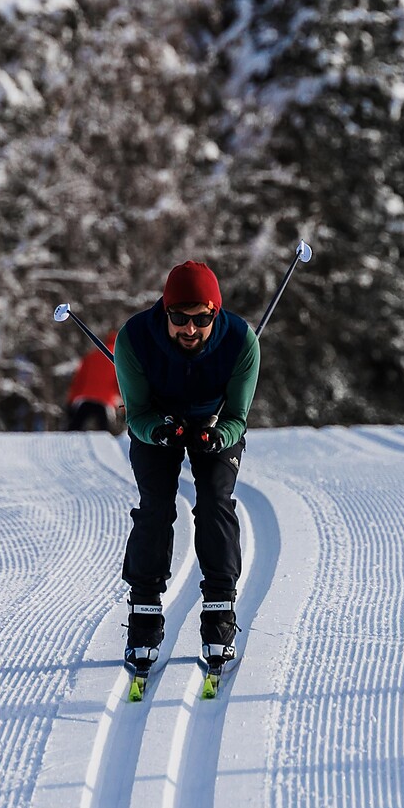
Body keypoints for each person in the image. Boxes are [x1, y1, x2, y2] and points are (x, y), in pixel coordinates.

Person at [114, 260, 260, 677]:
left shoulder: (241, 342)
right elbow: (137, 414)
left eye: (201, 318)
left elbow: (238, 416)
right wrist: (160, 431)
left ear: (216, 313)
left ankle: (219, 611)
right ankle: (143, 616)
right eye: (179, 318)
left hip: (214, 424)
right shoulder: (135, 339)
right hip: (157, 423)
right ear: (165, 311)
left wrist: (216, 436)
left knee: (215, 501)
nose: (189, 329)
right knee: (156, 506)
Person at [63, 334, 121, 432]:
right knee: (105, 430)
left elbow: (79, 380)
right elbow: (120, 383)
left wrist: (71, 400)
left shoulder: (91, 355)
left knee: (75, 426)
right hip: (105, 400)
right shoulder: (118, 359)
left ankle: (68, 441)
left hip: (86, 397)